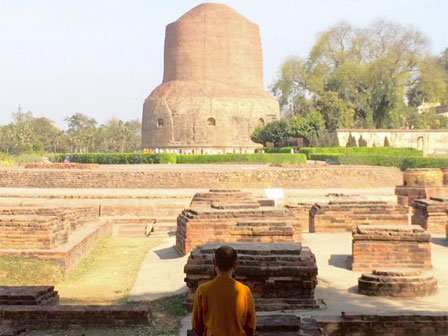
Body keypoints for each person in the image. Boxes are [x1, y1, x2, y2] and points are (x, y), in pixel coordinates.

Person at [191, 245, 256, 336]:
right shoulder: (244, 291)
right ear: (236, 265)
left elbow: (196, 325)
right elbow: (251, 326)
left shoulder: (203, 290)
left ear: (214, 262)